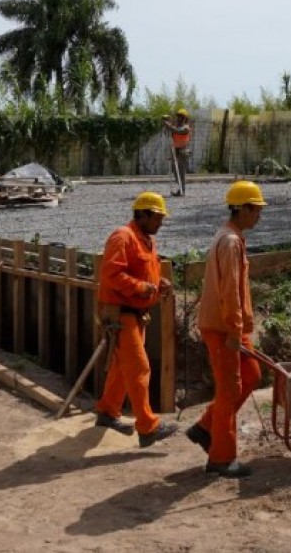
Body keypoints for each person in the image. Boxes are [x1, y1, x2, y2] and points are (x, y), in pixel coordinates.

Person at [185, 180, 266, 478]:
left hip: (230, 324)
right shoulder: (230, 242)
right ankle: (221, 457)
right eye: (256, 210)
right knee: (229, 390)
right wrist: (234, 331)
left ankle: (206, 427)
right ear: (242, 209)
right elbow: (230, 291)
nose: (259, 216)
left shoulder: (231, 236)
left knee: (252, 374)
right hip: (223, 327)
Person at [94, 191, 179, 447]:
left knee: (123, 366)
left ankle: (108, 412)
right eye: (157, 218)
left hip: (134, 314)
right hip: (120, 313)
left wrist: (157, 283)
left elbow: (143, 271)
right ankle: (147, 427)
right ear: (142, 215)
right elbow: (111, 275)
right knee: (139, 368)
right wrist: (141, 288)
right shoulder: (123, 237)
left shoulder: (145, 241)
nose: (160, 223)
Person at [162, 109, 191, 196]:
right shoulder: (176, 127)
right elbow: (170, 131)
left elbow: (177, 131)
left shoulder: (186, 128)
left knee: (181, 172)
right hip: (175, 151)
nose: (178, 118)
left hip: (182, 152)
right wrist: (166, 124)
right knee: (175, 171)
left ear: (184, 118)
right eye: (178, 116)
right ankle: (180, 188)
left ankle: (183, 191)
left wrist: (168, 125)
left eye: (180, 116)